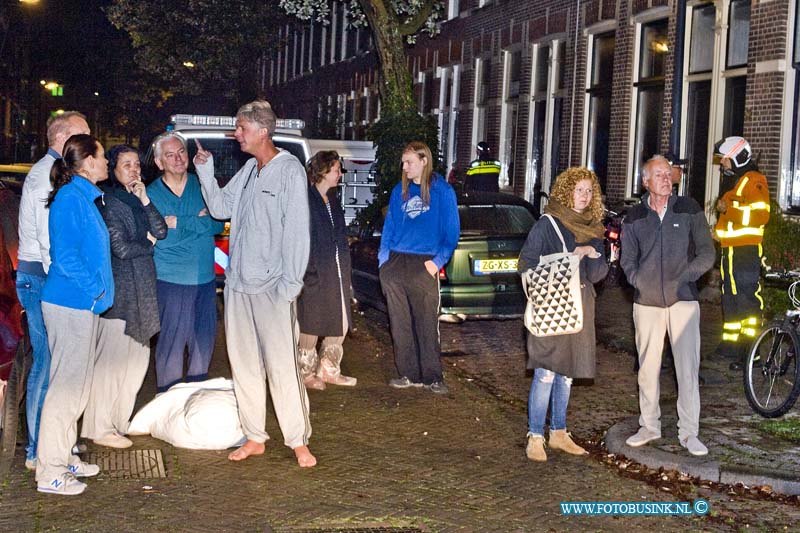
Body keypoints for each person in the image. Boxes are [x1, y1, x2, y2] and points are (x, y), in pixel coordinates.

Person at [194, 100, 315, 467]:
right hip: (238, 288)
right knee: (243, 365)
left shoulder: (290, 172)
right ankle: (254, 436)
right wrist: (205, 170)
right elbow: (219, 208)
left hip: (273, 290)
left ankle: (298, 440)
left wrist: (289, 287)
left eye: (242, 128)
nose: (237, 134)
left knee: (282, 367)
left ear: (263, 131)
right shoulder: (248, 170)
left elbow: (297, 234)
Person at [621, 155, 715, 457]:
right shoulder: (634, 217)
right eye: (659, 174)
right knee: (647, 369)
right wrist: (640, 282)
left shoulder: (688, 209)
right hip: (646, 303)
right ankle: (649, 425)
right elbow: (627, 260)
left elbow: (707, 253)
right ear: (645, 181)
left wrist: (685, 278)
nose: (666, 178)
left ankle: (689, 433)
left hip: (683, 302)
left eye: (669, 173)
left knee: (687, 368)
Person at [36, 134, 113, 495]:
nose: (107, 162)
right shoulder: (71, 199)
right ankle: (49, 471)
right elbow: (64, 256)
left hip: (82, 304)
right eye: (102, 156)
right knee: (65, 389)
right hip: (71, 304)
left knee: (76, 388)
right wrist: (94, 289)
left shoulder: (84, 197)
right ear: (86, 163)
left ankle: (63, 456)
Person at [15, 112, 90, 471]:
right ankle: (38, 450)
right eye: (84, 136)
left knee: (54, 364)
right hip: (43, 277)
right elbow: (50, 242)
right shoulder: (46, 177)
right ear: (62, 138)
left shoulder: (56, 174)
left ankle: (54, 445)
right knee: (47, 365)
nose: (90, 144)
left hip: (44, 276)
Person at [518, 167, 608, 461]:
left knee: (566, 374)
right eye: (578, 189)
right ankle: (534, 435)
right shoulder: (547, 224)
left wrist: (596, 255)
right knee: (545, 372)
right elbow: (526, 263)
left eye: (588, 191)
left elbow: (596, 276)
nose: (584, 196)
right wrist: (571, 255)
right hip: (551, 305)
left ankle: (558, 432)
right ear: (565, 191)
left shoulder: (594, 228)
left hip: (580, 307)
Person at [80, 145, 167, 449]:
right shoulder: (109, 203)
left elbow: (161, 230)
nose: (134, 170)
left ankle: (118, 421)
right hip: (122, 294)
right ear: (114, 171)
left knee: (136, 363)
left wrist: (145, 199)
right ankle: (99, 426)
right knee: (112, 365)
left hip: (143, 291)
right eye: (126, 165)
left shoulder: (135, 200)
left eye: (137, 165)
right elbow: (121, 248)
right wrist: (149, 243)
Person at [378, 141, 460, 394]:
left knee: (426, 322)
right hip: (396, 261)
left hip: (424, 263)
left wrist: (437, 263)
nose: (404, 167)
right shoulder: (398, 191)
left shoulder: (443, 191)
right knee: (399, 322)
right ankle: (407, 373)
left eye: (409, 162)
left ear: (424, 161)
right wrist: (384, 261)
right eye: (403, 162)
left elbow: (452, 231)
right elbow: (389, 227)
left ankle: (433, 377)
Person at [147, 133, 224, 393]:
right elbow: (162, 240)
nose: (178, 158)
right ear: (159, 163)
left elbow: (216, 222)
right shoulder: (151, 194)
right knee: (171, 345)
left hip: (204, 279)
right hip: (171, 280)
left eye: (181, 152)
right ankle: (167, 401)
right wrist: (198, 222)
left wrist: (179, 223)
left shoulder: (201, 185)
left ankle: (196, 402)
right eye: (170, 155)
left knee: (203, 343)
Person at [296, 150, 357, 390]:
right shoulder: (306, 200)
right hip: (315, 273)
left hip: (337, 271)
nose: (340, 174)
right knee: (311, 323)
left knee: (340, 320)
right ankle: (305, 371)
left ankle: (329, 368)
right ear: (323, 171)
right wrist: (309, 270)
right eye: (336, 169)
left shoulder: (332, 199)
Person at [712, 136, 770, 370]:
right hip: (731, 251)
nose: (722, 165)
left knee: (747, 300)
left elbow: (760, 216)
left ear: (737, 157)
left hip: (746, 252)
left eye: (724, 160)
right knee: (731, 298)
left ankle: (751, 352)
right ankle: (731, 347)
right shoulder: (738, 182)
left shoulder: (754, 180)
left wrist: (729, 210)